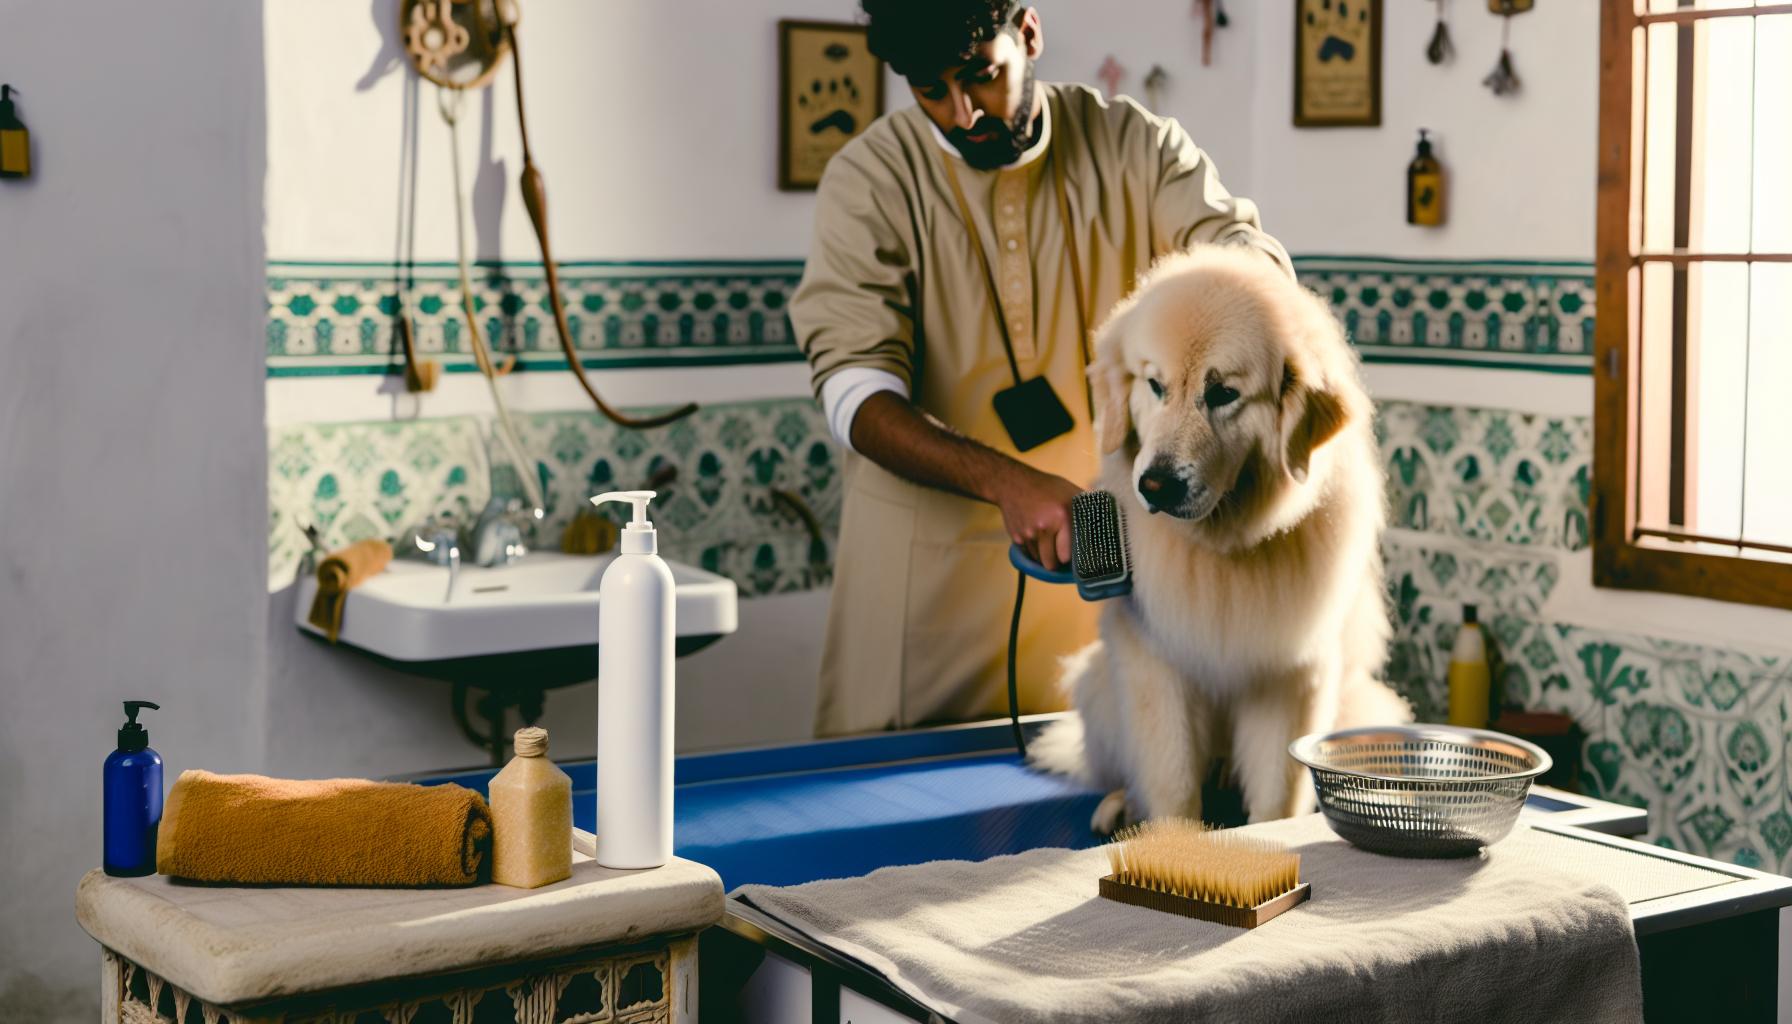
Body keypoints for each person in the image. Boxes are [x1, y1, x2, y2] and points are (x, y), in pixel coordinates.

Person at [791, 0, 1292, 737]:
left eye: (980, 76)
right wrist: (1007, 483)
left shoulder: (1138, 147)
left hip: (1104, 624)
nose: (962, 114)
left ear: (1028, 33)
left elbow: (1248, 266)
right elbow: (855, 394)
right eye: (932, 89)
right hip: (918, 635)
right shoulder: (869, 179)